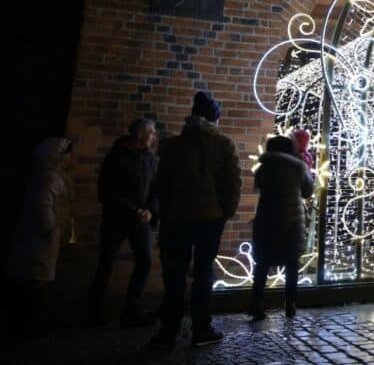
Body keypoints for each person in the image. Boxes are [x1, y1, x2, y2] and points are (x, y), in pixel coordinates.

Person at [151, 91, 241, 348]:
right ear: (215, 118)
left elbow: (162, 184)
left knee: (175, 273)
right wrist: (226, 211)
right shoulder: (223, 144)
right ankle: (201, 327)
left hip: (176, 218)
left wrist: (165, 210)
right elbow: (232, 183)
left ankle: (169, 329)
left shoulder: (173, 145)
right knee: (203, 272)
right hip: (210, 218)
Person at [88, 118, 159, 327]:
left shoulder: (149, 159)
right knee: (107, 263)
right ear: (140, 134)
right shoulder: (116, 158)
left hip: (141, 220)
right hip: (117, 219)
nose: (154, 137)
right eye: (151, 132)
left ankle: (131, 310)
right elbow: (107, 191)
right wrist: (132, 210)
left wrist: (150, 212)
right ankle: (95, 311)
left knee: (144, 262)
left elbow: (154, 189)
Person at [4, 138, 72, 336]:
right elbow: (44, 206)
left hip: (43, 235)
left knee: (35, 276)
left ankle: (27, 321)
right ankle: (26, 323)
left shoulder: (51, 176)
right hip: (41, 236)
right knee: (33, 277)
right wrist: (51, 228)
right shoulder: (49, 178)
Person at [248, 134, 314, 320]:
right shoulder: (298, 167)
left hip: (267, 219)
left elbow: (259, 187)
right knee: (292, 264)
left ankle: (257, 303)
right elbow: (308, 191)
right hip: (291, 220)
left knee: (262, 264)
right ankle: (290, 304)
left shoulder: (263, 168)